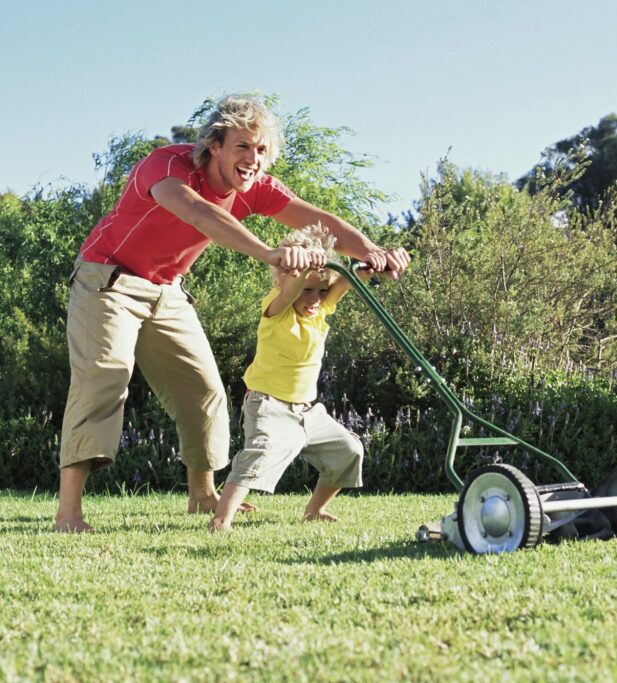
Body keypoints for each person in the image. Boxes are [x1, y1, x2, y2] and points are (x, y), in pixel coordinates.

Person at [55, 94, 409, 532]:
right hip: (108, 281)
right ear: (214, 145)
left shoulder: (256, 187)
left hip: (166, 289)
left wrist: (373, 251)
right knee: (104, 376)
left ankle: (203, 496)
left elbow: (321, 220)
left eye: (261, 150)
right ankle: (68, 513)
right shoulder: (166, 167)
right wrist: (269, 253)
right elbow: (201, 214)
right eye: (243, 146)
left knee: (203, 388)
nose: (253, 159)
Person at [209, 224, 386, 531]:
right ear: (285, 280)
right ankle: (222, 519)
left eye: (321, 290)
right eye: (308, 290)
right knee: (258, 454)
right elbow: (293, 288)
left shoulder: (320, 309)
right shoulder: (277, 307)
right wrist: (302, 268)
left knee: (349, 451)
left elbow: (349, 281)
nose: (315, 298)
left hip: (307, 411)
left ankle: (315, 510)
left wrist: (371, 264)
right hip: (269, 405)